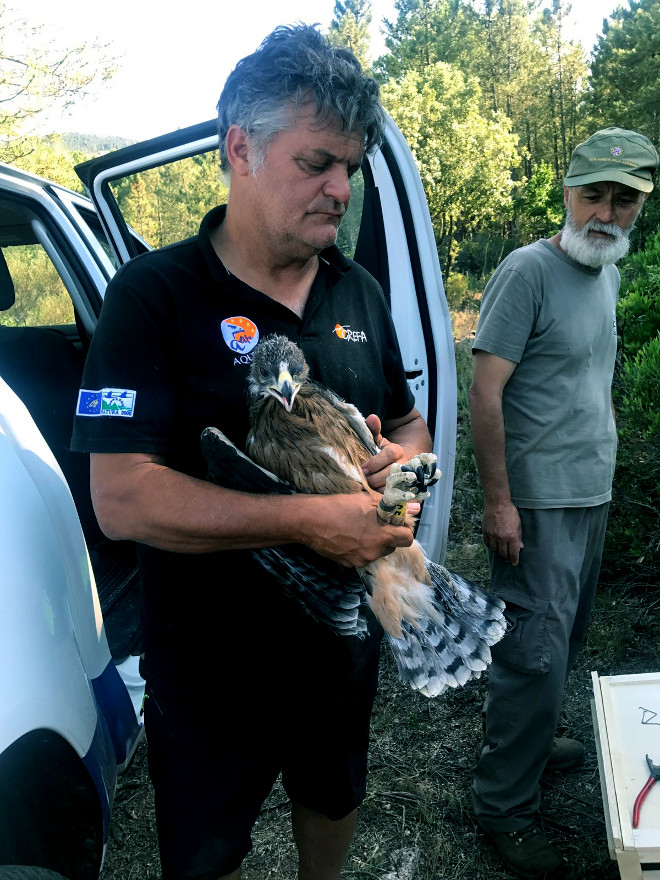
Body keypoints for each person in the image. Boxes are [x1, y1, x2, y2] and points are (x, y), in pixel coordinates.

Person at [71, 24, 433, 880]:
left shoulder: (357, 289)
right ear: (241, 148)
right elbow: (121, 497)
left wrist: (403, 473)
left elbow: (410, 425)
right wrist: (315, 522)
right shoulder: (156, 294)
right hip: (208, 670)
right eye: (317, 163)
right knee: (205, 853)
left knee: (334, 797)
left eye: (351, 165)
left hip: (340, 647)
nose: (341, 188)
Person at [469, 126, 659, 878]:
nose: (606, 212)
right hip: (538, 502)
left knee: (564, 640)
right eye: (594, 195)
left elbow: (594, 369)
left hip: (592, 492)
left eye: (625, 199)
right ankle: (503, 806)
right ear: (567, 192)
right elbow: (485, 394)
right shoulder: (528, 271)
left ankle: (535, 741)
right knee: (532, 656)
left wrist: (607, 429)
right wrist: (499, 504)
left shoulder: (606, 269)